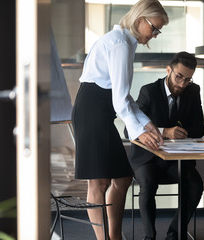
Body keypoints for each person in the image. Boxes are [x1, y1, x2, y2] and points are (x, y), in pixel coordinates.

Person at [71, 1, 168, 239]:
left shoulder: (124, 42)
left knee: (122, 178)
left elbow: (122, 96)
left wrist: (146, 122)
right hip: (93, 111)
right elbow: (120, 99)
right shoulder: (120, 45)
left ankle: (113, 236)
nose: (155, 35)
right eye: (154, 29)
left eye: (159, 31)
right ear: (140, 21)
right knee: (99, 182)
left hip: (98, 109)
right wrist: (138, 132)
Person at [127, 52, 204, 240]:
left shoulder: (193, 91)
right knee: (148, 184)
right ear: (168, 70)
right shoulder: (148, 91)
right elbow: (131, 129)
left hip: (175, 160)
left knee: (195, 186)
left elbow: (199, 128)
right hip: (147, 158)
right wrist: (164, 132)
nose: (182, 84)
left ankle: (174, 233)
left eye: (188, 79)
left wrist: (182, 131)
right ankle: (149, 237)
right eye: (179, 77)